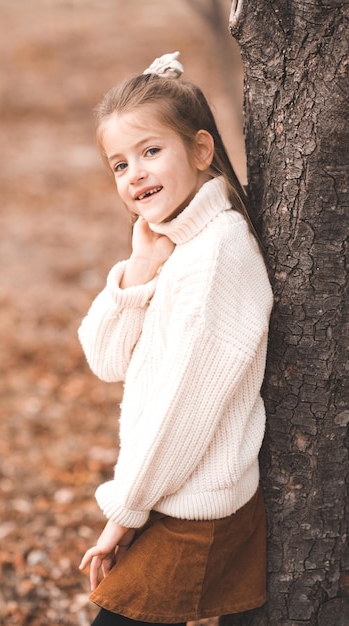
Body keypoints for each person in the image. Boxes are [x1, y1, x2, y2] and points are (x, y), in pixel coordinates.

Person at [78, 52, 273, 626]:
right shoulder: (176, 248)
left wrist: (123, 514)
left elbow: (182, 411)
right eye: (119, 164)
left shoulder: (217, 257)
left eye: (151, 151)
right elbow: (106, 358)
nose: (134, 173)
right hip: (168, 491)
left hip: (194, 510)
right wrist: (138, 271)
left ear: (201, 151)